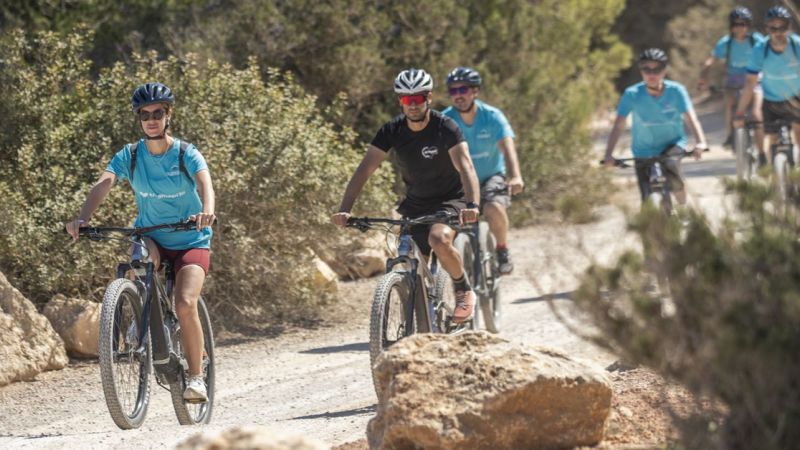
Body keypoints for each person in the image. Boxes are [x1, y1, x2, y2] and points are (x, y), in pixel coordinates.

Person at [65, 82, 216, 403]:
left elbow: (206, 183)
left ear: (168, 115)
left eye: (157, 113)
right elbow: (103, 183)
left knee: (185, 303)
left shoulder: (186, 153)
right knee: (137, 264)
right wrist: (83, 217)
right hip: (151, 235)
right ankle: (142, 317)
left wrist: (207, 211)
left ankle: (196, 377)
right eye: (144, 114)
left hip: (192, 239)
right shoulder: (130, 156)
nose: (151, 119)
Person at [331, 68, 481, 323]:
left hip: (451, 199)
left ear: (429, 98)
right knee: (411, 261)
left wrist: (472, 204)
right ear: (400, 100)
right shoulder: (392, 130)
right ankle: (418, 324)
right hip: (416, 203)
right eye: (406, 99)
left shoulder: (446, 126)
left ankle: (463, 289)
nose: (412, 105)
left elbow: (466, 165)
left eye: (418, 98)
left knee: (439, 239)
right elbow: (365, 169)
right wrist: (345, 209)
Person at [441, 67, 523, 275]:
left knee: (494, 207)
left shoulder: (493, 116)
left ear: (475, 91)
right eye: (453, 91)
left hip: (490, 177)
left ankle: (502, 249)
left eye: (463, 89)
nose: (458, 95)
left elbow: (508, 148)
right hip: (460, 181)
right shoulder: (444, 120)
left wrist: (515, 176)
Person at [604, 48, 708, 206]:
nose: (651, 74)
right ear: (641, 71)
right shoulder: (632, 94)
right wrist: (608, 154)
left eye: (657, 69)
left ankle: (683, 209)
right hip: (643, 150)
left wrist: (700, 142)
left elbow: (690, 118)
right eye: (646, 69)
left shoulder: (676, 91)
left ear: (664, 71)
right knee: (647, 200)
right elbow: (619, 124)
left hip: (672, 144)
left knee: (673, 171)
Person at [734, 6, 800, 160]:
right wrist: (740, 113)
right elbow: (750, 84)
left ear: (789, 26)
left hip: (795, 98)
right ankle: (776, 179)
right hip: (771, 100)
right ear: (767, 28)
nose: (778, 32)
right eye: (773, 27)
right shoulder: (760, 49)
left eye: (782, 27)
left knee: (798, 132)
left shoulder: (797, 46)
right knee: (772, 140)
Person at [698, 6, 765, 151]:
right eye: (736, 24)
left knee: (756, 110)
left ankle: (761, 148)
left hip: (754, 78)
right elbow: (711, 60)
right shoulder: (726, 43)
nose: (740, 28)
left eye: (743, 24)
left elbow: (768, 56)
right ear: (731, 26)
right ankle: (730, 136)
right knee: (729, 103)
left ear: (748, 25)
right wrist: (704, 76)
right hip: (733, 79)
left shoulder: (757, 40)